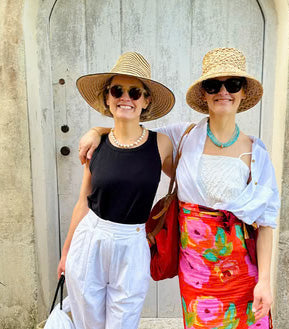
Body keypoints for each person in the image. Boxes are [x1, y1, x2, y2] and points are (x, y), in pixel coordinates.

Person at [78, 48, 280, 329]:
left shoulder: (256, 153)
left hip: (243, 272)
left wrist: (265, 283)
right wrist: (97, 131)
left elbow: (266, 222)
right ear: (203, 94)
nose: (223, 92)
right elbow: (132, 133)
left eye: (232, 84)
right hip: (195, 271)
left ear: (244, 92)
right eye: (213, 85)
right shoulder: (182, 137)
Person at [57, 51, 175, 329]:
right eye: (117, 90)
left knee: (124, 320)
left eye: (135, 92)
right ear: (107, 99)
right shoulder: (95, 145)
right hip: (90, 238)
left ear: (146, 101)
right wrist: (65, 253)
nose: (126, 97)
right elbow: (83, 202)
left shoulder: (162, 144)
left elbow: (189, 178)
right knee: (88, 319)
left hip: (133, 242)